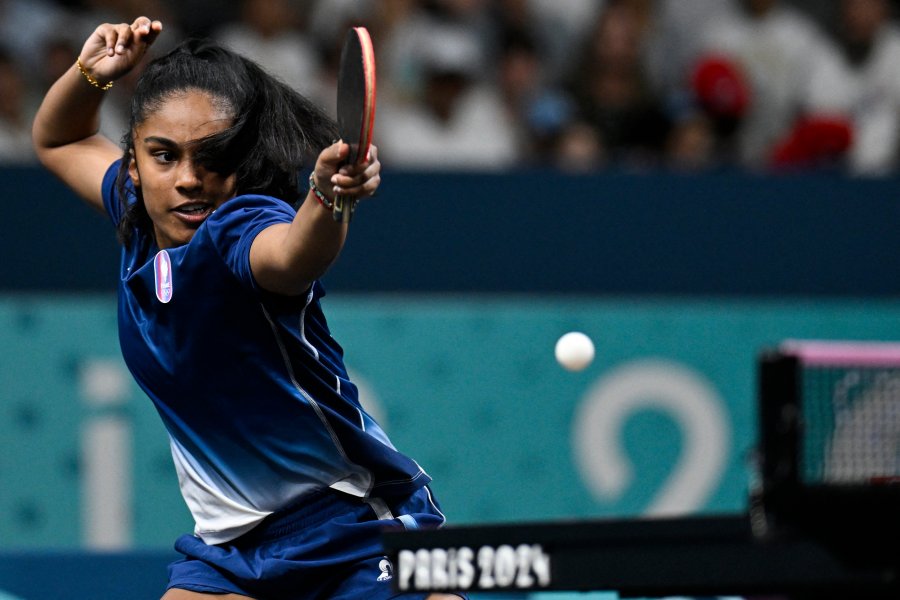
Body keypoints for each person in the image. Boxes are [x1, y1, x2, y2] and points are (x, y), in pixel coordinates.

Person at [32, 16, 463, 600]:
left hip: (353, 523)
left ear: (240, 164)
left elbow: (291, 256)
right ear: (132, 163)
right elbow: (57, 139)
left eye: (213, 157)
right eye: (164, 156)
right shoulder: (137, 216)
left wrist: (328, 197)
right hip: (231, 553)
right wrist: (91, 75)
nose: (188, 179)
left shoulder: (238, 228)